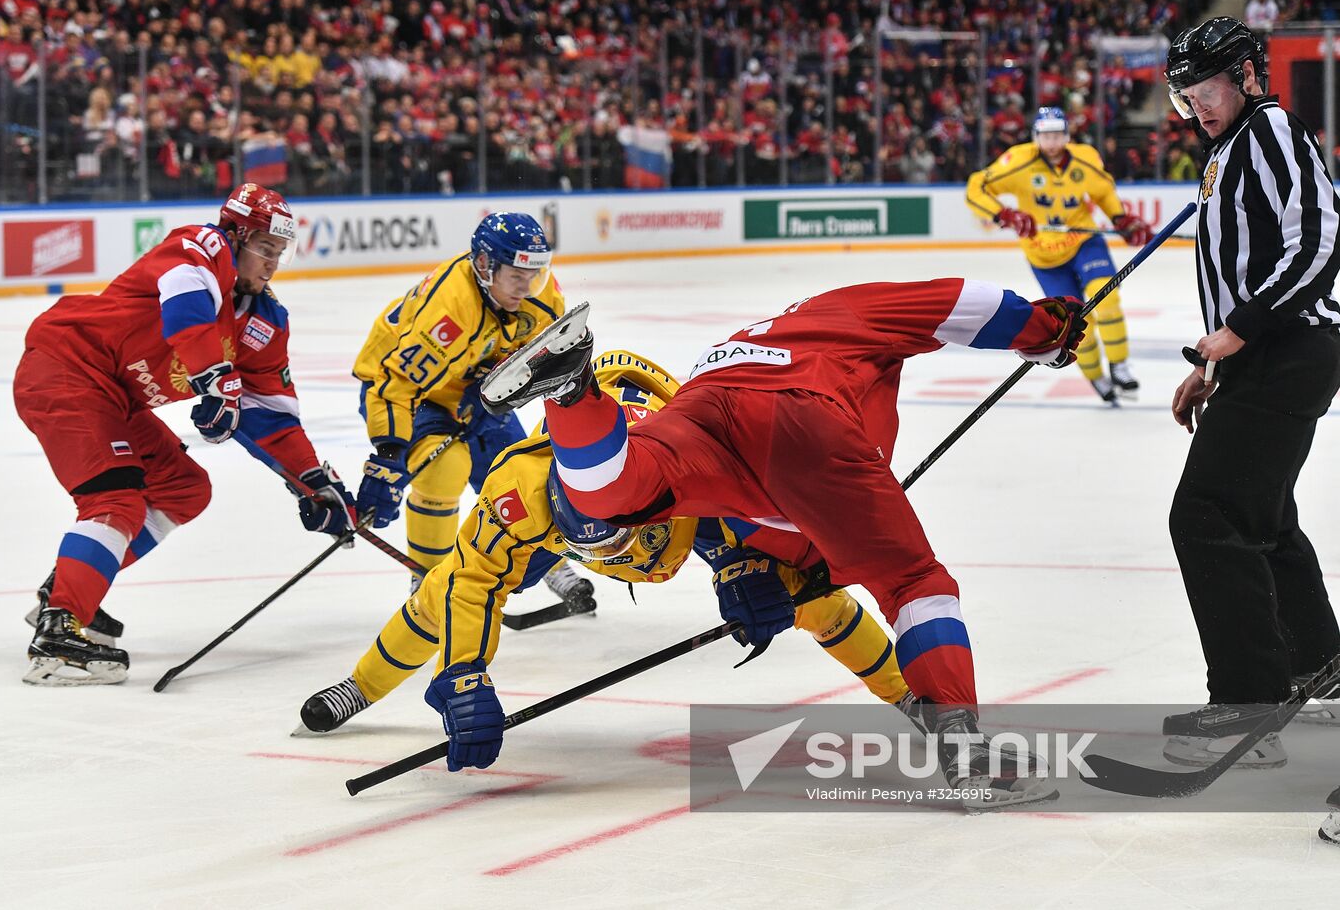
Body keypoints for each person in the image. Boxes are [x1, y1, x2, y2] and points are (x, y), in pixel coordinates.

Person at [477, 279, 1088, 807]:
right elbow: (964, 301)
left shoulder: (768, 330)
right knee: (912, 582)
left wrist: (753, 565)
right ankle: (967, 750)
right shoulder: (850, 310)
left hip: (705, 400)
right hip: (802, 414)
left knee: (616, 493)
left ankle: (572, 394)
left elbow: (762, 507)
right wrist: (1045, 332)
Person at [300, 351, 918, 767]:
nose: (610, 557)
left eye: (616, 540)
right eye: (593, 545)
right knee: (443, 588)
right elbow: (472, 586)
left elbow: (772, 518)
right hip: (599, 501)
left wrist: (746, 567)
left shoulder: (690, 465)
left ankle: (910, 697)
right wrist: (465, 676)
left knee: (814, 600)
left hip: (679, 493)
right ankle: (361, 685)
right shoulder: (520, 490)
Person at [14, 184, 355, 686]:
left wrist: (313, 482)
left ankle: (67, 586)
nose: (272, 264)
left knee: (184, 488)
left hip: (115, 395)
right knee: (116, 499)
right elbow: (186, 303)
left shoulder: (264, 321)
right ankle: (59, 632)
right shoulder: (202, 246)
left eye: (279, 253)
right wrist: (214, 377)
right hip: (68, 365)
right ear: (235, 235)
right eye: (264, 248)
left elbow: (272, 417)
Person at [1161, 17, 1340, 768]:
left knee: (1206, 514)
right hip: (1266, 355)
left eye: (1207, 90)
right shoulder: (1231, 147)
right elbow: (1248, 263)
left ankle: (1249, 702)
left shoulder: (1267, 131)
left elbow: (1323, 238)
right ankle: (1321, 670)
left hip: (1290, 349)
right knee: (1262, 519)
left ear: (1246, 76)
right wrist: (1215, 361)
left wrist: (1240, 329)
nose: (1198, 107)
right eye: (1186, 98)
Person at [350, 212, 593, 607]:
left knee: (521, 475)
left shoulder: (540, 298)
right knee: (443, 470)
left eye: (535, 275)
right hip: (412, 392)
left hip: (477, 389)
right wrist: (389, 455)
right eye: (516, 276)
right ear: (485, 265)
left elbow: (539, 359)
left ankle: (548, 566)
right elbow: (395, 386)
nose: (528, 286)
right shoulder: (449, 309)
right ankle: (425, 582)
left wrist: (499, 398)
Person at [966, 106, 1155, 404]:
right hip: (1044, 256)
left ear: (1067, 136)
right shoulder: (1018, 160)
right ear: (1035, 137)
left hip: (1084, 241)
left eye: (1057, 135)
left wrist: (1120, 218)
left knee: (1106, 299)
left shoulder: (1085, 157)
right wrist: (1002, 214)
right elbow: (976, 186)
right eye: (1045, 135)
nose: (1052, 142)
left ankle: (1120, 365)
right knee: (1077, 322)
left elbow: (1103, 190)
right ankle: (1096, 377)